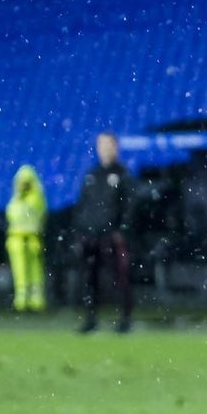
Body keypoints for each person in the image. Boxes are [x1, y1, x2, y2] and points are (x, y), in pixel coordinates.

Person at [73, 131, 134, 333]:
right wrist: (81, 230)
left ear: (115, 147)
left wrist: (121, 230)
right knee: (89, 279)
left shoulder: (123, 175)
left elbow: (129, 206)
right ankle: (90, 319)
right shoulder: (92, 175)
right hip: (91, 236)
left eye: (108, 145)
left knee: (120, 277)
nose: (104, 150)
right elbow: (83, 205)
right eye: (101, 146)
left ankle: (125, 319)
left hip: (112, 237)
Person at [4, 164, 47, 312]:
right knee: (19, 270)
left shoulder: (35, 197)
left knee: (34, 269)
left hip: (31, 237)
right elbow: (12, 215)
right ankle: (21, 299)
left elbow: (25, 213)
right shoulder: (17, 198)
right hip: (16, 238)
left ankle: (36, 299)